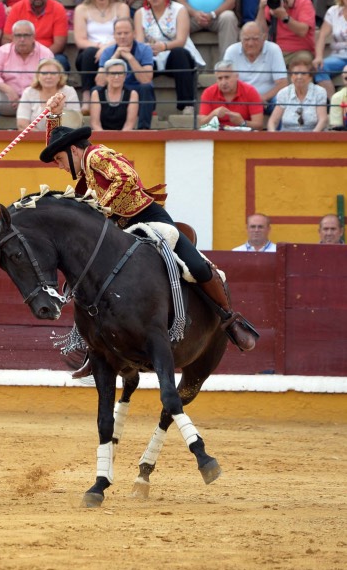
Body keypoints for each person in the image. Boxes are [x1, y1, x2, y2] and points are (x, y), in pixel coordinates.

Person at [38, 94, 258, 379]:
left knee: (197, 267)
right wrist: (53, 117)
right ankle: (96, 348)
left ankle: (229, 320)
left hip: (149, 219)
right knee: (86, 282)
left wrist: (100, 206)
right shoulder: (85, 162)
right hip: (120, 226)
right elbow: (57, 142)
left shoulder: (97, 156)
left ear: (74, 151)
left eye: (59, 159)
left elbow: (127, 178)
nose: (59, 166)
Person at [134, 0, 205, 115]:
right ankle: (148, 108)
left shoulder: (179, 10)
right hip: (152, 55)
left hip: (175, 54)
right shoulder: (140, 13)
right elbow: (140, 42)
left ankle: (187, 105)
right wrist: (149, 50)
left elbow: (181, 40)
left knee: (179, 52)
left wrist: (164, 47)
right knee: (138, 60)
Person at [0, 20, 54, 130]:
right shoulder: (3, 51)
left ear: (33, 37)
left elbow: (51, 80)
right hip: (9, 100)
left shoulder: (45, 53)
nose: (22, 39)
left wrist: (26, 97)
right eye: (18, 35)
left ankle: (42, 140)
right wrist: (8, 89)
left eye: (26, 35)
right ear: (12, 37)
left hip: (33, 102)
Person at [73, 0, 129, 104]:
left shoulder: (121, 8)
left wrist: (106, 48)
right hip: (90, 51)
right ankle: (87, 97)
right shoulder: (82, 9)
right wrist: (99, 47)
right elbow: (80, 41)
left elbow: (125, 35)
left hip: (116, 48)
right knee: (89, 53)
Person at [96, 17, 154, 130]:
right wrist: (115, 57)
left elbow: (146, 79)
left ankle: (143, 130)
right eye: (119, 33)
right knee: (96, 90)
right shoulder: (108, 51)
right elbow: (100, 82)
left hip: (136, 87)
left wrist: (130, 58)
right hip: (115, 88)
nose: (122, 36)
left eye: (126, 33)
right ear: (114, 35)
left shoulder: (145, 50)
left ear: (134, 33)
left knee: (147, 87)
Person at [2, 0, 70, 70]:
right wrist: (24, 57)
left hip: (48, 55)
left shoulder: (58, 9)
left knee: (61, 61)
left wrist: (39, 58)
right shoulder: (17, 9)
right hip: (20, 54)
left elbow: (59, 45)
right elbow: (7, 39)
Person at [222, 22, 288, 113]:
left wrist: (262, 98)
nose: (250, 43)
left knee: (281, 100)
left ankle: (277, 127)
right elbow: (226, 82)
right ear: (240, 39)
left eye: (255, 39)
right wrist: (248, 100)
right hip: (240, 100)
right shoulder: (231, 51)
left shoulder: (273, 49)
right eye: (246, 39)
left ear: (264, 37)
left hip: (267, 100)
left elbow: (282, 83)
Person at [175, 0, 239, 59]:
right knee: (178, 19)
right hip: (192, 18)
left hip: (217, 17)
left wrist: (213, 14)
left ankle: (227, 64)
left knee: (229, 17)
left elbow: (231, 0)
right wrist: (195, 14)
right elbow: (181, 0)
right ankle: (183, 65)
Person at [254, 0, 315, 64]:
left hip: (299, 51)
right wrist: (261, 8)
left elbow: (303, 31)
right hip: (276, 50)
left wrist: (284, 17)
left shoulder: (304, 3)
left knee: (303, 59)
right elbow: (260, 32)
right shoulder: (272, 4)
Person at [266, 53, 328, 131]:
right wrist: (273, 137)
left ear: (310, 77)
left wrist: (311, 139)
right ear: (291, 76)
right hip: (287, 138)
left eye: (303, 73)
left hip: (313, 138)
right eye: (295, 73)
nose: (299, 77)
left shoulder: (319, 92)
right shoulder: (284, 93)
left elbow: (323, 120)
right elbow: (273, 121)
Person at [198, 60, 265, 130]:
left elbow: (259, 126)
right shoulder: (208, 93)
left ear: (237, 77)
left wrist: (242, 122)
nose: (223, 82)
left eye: (227, 77)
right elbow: (202, 125)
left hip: (243, 136)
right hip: (217, 136)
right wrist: (213, 114)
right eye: (220, 78)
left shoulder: (250, 91)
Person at [18, 57, 81, 129]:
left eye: (53, 73)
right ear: (38, 76)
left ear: (60, 76)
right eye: (44, 73)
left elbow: (75, 121)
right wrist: (41, 138)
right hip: (35, 138)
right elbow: (22, 123)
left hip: (63, 137)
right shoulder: (28, 92)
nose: (48, 76)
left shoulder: (69, 91)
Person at [312, 0, 347, 99]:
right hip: (338, 57)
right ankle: (334, 104)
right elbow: (321, 36)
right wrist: (319, 57)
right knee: (318, 67)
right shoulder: (333, 11)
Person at [91, 57, 138, 130]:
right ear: (106, 76)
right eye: (113, 73)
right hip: (101, 137)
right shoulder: (96, 94)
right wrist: (105, 140)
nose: (116, 77)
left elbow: (129, 124)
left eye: (120, 73)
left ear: (125, 76)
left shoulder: (132, 94)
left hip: (125, 138)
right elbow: (95, 124)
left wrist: (119, 140)